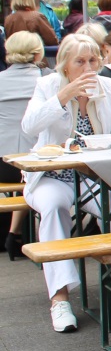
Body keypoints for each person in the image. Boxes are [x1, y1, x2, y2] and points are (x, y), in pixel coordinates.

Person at [22, 34, 111, 333]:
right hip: (52, 176)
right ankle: (60, 299)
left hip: (91, 175)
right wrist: (64, 95)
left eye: (93, 60)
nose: (88, 68)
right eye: (80, 62)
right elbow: (29, 126)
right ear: (65, 65)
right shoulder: (48, 85)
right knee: (54, 207)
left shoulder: (108, 86)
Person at [0, 31, 50, 259]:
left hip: (3, 161)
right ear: (38, 52)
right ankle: (18, 232)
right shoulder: (47, 81)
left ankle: (14, 232)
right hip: (35, 161)